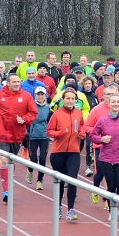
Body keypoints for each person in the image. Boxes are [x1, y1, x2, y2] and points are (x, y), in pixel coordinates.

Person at [0, 75, 37, 203]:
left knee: (11, 160)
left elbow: (33, 113)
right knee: (4, 159)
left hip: (17, 134)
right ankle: (6, 190)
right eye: (14, 82)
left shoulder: (26, 96)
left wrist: (24, 119)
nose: (17, 84)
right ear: (7, 83)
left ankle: (9, 185)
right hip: (1, 133)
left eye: (18, 82)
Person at [89, 93, 119, 221]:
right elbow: (93, 136)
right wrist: (101, 139)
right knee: (111, 186)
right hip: (106, 158)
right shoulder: (102, 120)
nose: (115, 104)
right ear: (108, 104)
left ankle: (118, 203)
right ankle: (112, 209)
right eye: (113, 102)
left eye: (117, 102)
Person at [46, 89, 86, 221]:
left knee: (72, 179)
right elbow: (49, 131)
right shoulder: (57, 114)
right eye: (68, 98)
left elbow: (81, 127)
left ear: (76, 100)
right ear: (63, 100)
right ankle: (58, 206)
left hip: (74, 152)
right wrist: (60, 133)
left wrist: (82, 133)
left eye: (72, 98)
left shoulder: (78, 113)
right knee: (60, 181)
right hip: (58, 152)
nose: (70, 101)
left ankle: (70, 209)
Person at [25, 87, 51, 190]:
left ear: (45, 95)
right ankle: (30, 171)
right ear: (35, 95)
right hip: (32, 136)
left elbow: (51, 121)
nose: (40, 96)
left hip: (44, 136)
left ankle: (40, 180)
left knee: (43, 158)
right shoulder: (31, 107)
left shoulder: (48, 108)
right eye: (38, 94)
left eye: (42, 94)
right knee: (33, 159)